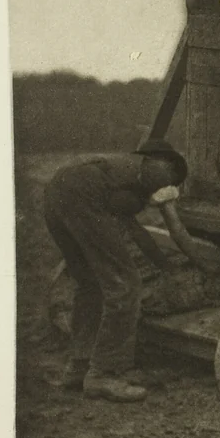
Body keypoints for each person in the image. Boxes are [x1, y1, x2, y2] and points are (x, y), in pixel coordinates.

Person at [43, 138, 187, 402]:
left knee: (90, 284)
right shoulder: (158, 168)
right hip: (83, 196)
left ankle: (80, 365)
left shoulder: (118, 172)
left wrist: (164, 264)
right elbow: (171, 228)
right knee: (125, 286)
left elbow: (137, 232)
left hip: (56, 192)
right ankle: (105, 373)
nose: (170, 183)